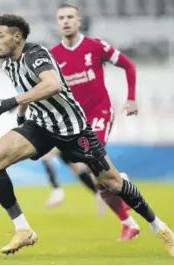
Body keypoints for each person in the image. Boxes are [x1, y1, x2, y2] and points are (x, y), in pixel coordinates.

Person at [0, 13, 174, 257]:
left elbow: (52, 84)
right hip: (42, 126)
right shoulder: (7, 62)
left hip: (73, 129)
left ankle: (158, 226)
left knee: (112, 182)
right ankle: (23, 229)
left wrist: (11, 102)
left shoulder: (37, 54)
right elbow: (28, 90)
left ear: (16, 37)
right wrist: (21, 116)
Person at [39, 3, 140, 241]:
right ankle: (129, 222)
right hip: (76, 120)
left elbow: (128, 65)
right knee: (100, 180)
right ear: (57, 23)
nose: (65, 21)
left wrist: (131, 98)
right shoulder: (53, 56)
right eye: (61, 18)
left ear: (79, 20)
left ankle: (120, 182)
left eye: (69, 17)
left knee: (92, 160)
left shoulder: (95, 46)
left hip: (100, 113)